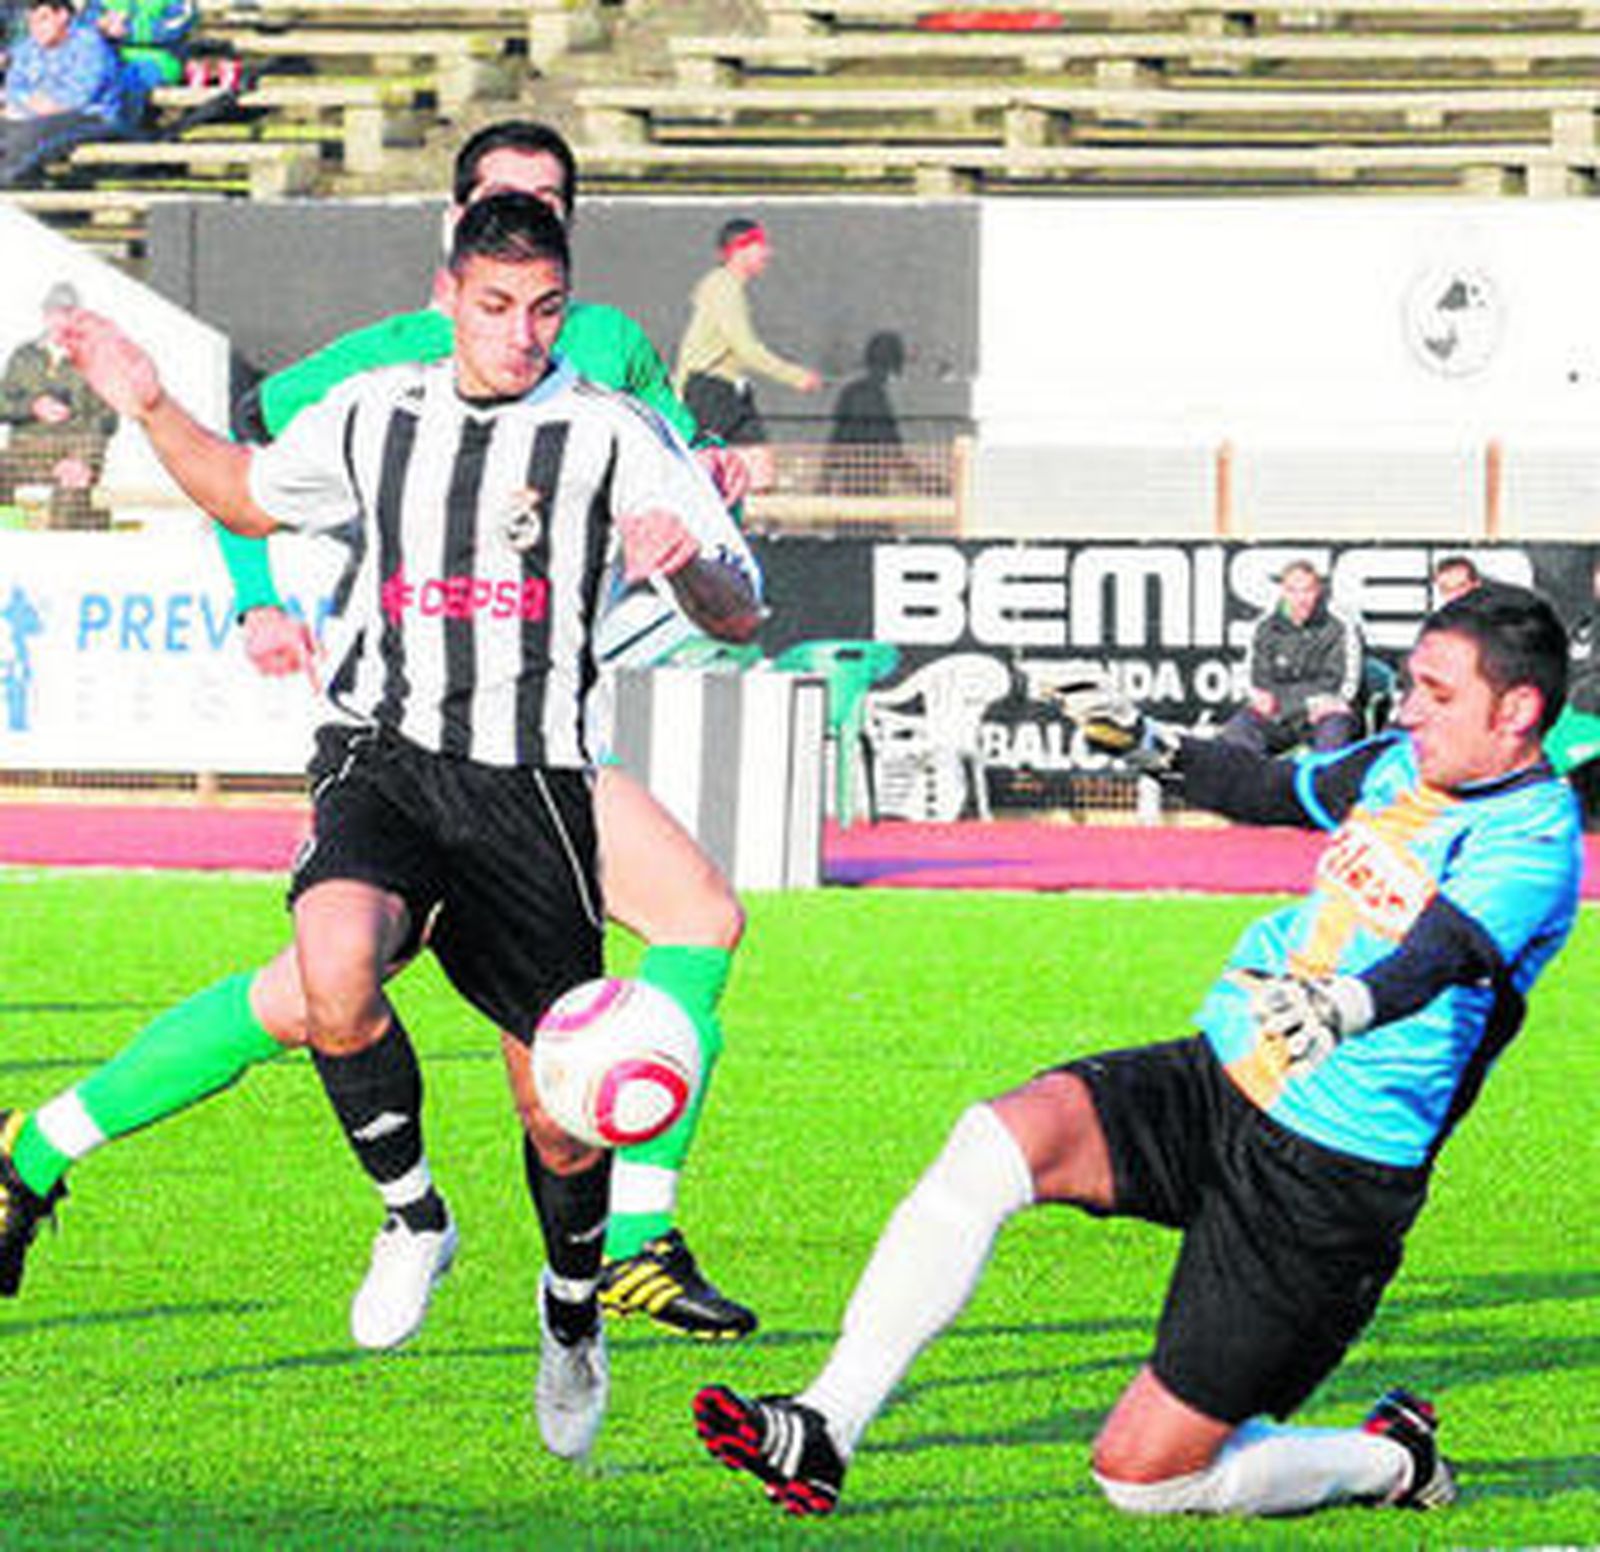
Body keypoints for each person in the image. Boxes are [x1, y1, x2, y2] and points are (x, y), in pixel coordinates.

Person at [0, 120, 763, 1347]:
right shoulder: (378, 380)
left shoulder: (608, 357)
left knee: (405, 1024)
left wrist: (700, 522)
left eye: (550, 209)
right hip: (395, 741)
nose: (524, 302)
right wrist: (252, 588)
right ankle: (585, 1236)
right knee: (342, 969)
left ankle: (40, 1142)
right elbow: (247, 472)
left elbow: (691, 508)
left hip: (539, 754)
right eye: (501, 216)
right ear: (450, 256)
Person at [692, 580, 1580, 1521]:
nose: (1407, 709)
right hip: (1226, 1077)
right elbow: (1271, 787)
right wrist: (1146, 742)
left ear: (1517, 710)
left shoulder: (1534, 838)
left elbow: (1443, 954)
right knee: (999, 1139)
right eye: (1410, 685)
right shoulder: (1397, 764)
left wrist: (1347, 1004)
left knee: (1142, 1480)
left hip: (1331, 1179)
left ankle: (1391, 1461)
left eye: (1437, 695)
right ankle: (824, 1426)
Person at [673, 216, 822, 493]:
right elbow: (746, 348)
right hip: (710, 393)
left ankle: (757, 534)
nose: (768, 253)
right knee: (705, 475)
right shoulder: (723, 288)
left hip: (730, 390)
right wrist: (795, 377)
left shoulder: (728, 287)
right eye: (760, 246)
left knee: (760, 471)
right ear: (738, 250)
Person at [0, 281, 119, 528]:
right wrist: (31, 407)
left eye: (67, 314)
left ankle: (62, 558)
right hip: (26, 450)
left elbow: (108, 418)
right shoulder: (24, 356)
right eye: (54, 313)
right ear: (45, 316)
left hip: (74, 449)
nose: (59, 321)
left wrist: (84, 460)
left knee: (71, 491)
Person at [1219, 558, 1364, 756]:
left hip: (1322, 715)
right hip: (1279, 716)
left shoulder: (1340, 625)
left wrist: (1327, 702)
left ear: (1318, 591)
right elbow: (1256, 681)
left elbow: (1343, 685)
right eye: (1293, 591)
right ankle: (1252, 785)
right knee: (1239, 729)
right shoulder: (1264, 626)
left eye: (1307, 590)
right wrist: (1260, 698)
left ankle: (1321, 786)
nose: (1301, 599)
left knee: (1335, 731)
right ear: (1283, 592)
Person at [1, 0, 125, 188]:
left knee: (28, 135)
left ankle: (10, 186)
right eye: (32, 22)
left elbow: (75, 99)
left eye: (44, 19)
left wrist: (30, 105)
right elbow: (14, 87)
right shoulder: (28, 48)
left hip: (91, 119)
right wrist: (28, 105)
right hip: (35, 116)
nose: (36, 28)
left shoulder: (88, 46)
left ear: (62, 16)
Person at [83, 0, 197, 122]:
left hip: (158, 60)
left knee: (130, 80)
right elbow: (87, 21)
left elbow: (179, 24)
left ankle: (120, 128)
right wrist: (104, 25)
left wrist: (126, 29)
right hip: (109, 57)